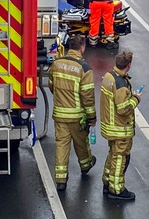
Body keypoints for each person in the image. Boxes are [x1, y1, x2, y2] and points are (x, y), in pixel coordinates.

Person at [49, 35, 97, 191]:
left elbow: (51, 85)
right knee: (81, 142)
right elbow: (87, 96)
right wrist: (92, 117)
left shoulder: (56, 64)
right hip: (76, 116)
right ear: (82, 48)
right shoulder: (84, 68)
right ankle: (86, 165)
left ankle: (61, 180)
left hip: (60, 114)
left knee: (61, 145)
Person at [101, 50, 142, 201]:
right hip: (120, 128)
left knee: (112, 155)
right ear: (129, 66)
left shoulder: (109, 76)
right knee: (120, 159)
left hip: (109, 126)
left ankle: (107, 182)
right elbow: (123, 108)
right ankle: (116, 189)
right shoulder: (121, 84)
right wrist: (136, 99)